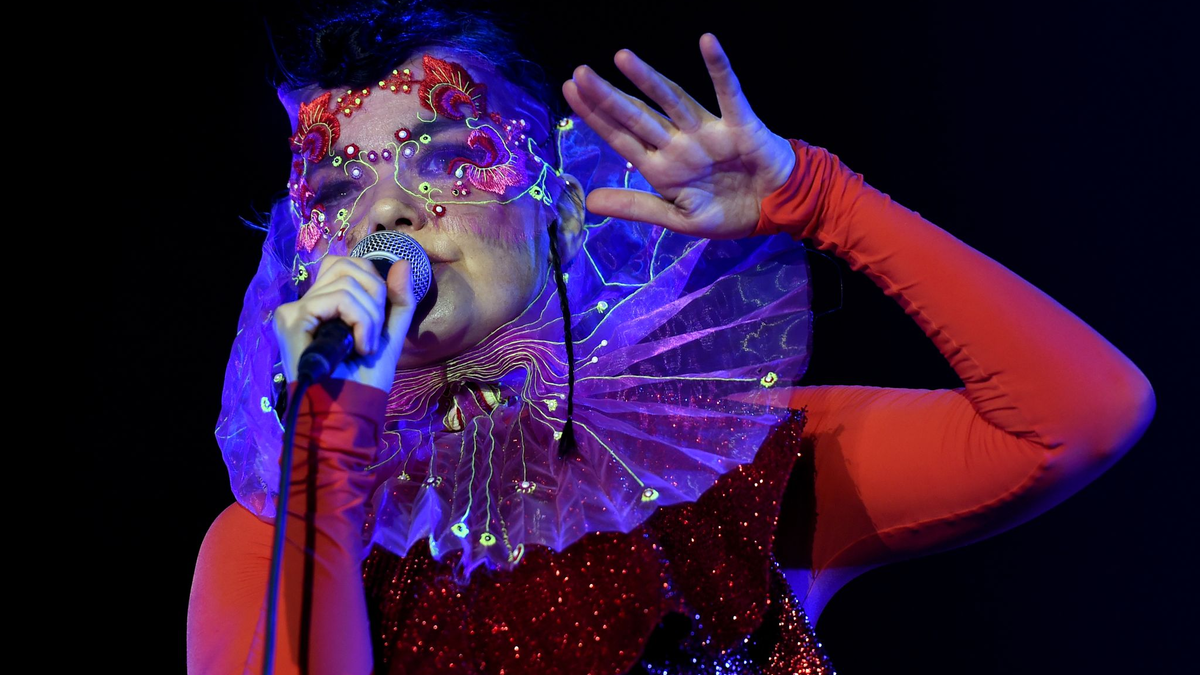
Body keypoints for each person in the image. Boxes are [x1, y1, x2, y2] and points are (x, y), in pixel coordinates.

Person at [187, 3, 1156, 674]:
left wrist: (824, 201)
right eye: (334, 192)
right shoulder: (276, 539)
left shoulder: (722, 462)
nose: (389, 209)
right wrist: (327, 447)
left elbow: (1082, 417)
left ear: (559, 207)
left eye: (448, 160)